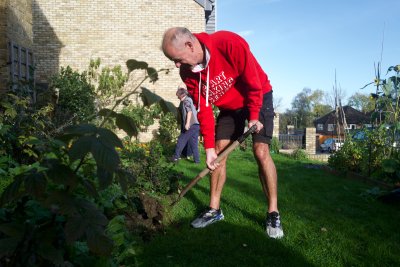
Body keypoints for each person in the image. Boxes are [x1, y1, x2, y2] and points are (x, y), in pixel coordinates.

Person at [162, 27, 283, 239]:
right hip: (230, 107)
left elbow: (253, 82)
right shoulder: (187, 73)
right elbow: (205, 110)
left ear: (189, 46)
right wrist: (208, 148)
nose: (177, 65)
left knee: (260, 151)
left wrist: (254, 115)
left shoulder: (228, 43)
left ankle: (273, 212)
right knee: (218, 153)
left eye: (177, 59)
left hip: (258, 95)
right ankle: (214, 210)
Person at [171, 86, 200, 164]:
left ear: (182, 95)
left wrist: (187, 124)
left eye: (178, 96)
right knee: (194, 144)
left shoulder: (186, 101)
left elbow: (189, 112)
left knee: (181, 140)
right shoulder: (189, 100)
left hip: (191, 125)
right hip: (196, 125)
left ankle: (175, 157)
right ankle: (197, 161)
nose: (178, 98)